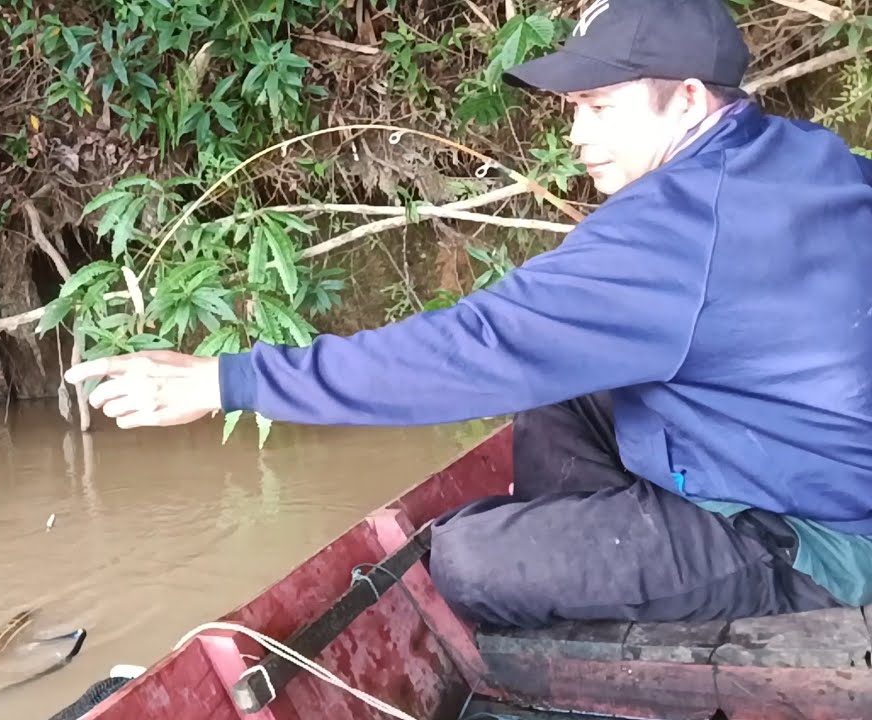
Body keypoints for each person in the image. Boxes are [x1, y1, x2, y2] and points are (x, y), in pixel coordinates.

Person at [63, 0, 872, 630]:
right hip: (793, 450)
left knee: (467, 555)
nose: (576, 134)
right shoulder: (805, 156)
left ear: (688, 99)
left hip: (812, 533)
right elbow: (522, 347)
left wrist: (229, 379)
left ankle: (638, 585)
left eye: (596, 106)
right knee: (556, 386)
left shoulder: (680, 226)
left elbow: (471, 347)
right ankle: (604, 551)